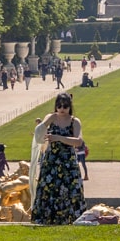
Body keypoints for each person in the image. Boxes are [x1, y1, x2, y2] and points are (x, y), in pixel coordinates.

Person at [30, 93, 85, 224]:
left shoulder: (74, 121)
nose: (61, 109)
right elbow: (39, 132)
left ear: (69, 107)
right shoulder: (51, 117)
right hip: (51, 160)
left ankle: (69, 218)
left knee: (70, 189)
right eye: (59, 106)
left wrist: (58, 138)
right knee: (49, 188)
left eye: (65, 106)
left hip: (68, 161)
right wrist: (46, 123)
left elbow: (78, 142)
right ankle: (46, 218)